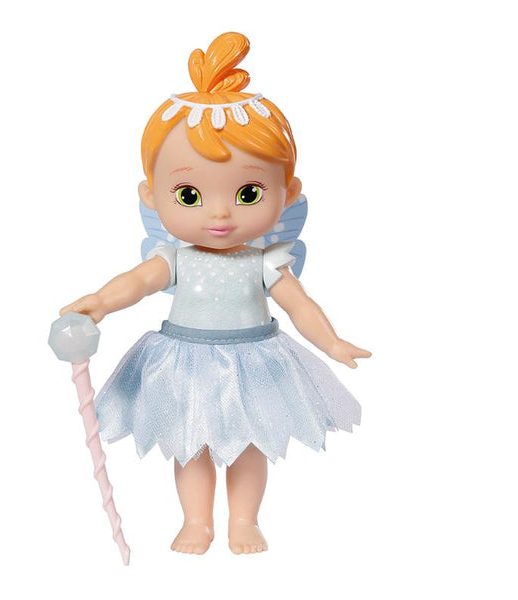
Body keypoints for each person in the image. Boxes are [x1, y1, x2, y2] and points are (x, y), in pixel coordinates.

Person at [60, 31, 370, 556]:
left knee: (251, 445)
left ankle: (244, 521)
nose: (220, 213)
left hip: (256, 362)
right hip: (185, 364)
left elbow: (300, 306)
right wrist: (101, 302)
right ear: (152, 195)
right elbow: (137, 282)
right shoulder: (175, 259)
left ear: (287, 193)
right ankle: (197, 520)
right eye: (190, 194)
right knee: (192, 445)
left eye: (249, 193)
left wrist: (332, 342)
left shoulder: (265, 263)